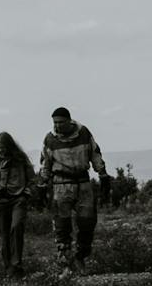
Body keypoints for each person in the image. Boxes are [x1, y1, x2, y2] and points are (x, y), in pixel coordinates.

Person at [39, 106, 111, 271]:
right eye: (55, 123)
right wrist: (42, 183)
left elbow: (95, 153)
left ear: (69, 121)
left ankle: (81, 255)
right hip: (61, 184)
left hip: (82, 182)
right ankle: (65, 260)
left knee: (87, 222)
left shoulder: (83, 133)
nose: (57, 126)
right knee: (62, 224)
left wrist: (103, 173)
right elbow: (46, 163)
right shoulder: (50, 139)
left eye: (61, 122)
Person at [0, 132, 37, 276]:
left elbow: (32, 180)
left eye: (2, 146)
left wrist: (26, 194)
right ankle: (8, 267)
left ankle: (16, 264)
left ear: (9, 145)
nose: (0, 149)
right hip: (1, 202)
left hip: (18, 200)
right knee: (5, 235)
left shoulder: (21, 159)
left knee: (17, 227)